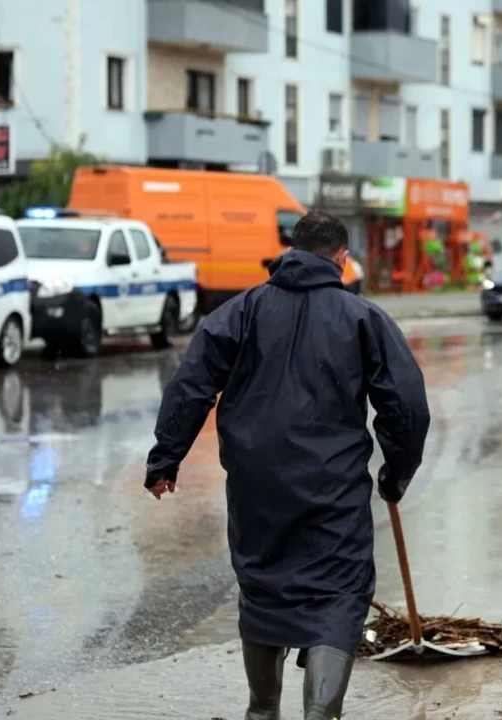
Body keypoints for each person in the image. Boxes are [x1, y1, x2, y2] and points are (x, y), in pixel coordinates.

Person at [143, 211, 431, 720]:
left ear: (291, 251)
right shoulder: (363, 318)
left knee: (264, 586)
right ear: (342, 258)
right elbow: (406, 405)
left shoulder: (240, 311)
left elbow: (191, 383)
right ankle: (320, 713)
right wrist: (396, 473)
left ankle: (262, 710)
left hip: (256, 487)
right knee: (339, 592)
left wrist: (167, 457)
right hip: (333, 488)